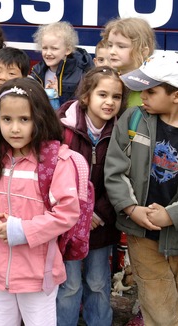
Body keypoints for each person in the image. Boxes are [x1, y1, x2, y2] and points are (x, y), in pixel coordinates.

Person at [104, 51, 178, 326]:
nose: (142, 96)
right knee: (160, 312)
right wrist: (132, 208)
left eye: (151, 90)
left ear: (177, 95)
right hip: (142, 233)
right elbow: (114, 170)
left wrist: (171, 216)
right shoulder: (133, 119)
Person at [0, 78, 80, 326]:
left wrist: (22, 230)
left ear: (39, 119)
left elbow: (67, 212)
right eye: (7, 119)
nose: (15, 128)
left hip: (37, 274)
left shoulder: (54, 161)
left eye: (24, 119)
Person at [56, 66, 126, 326]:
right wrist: (75, 213)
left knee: (98, 282)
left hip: (101, 223)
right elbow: (53, 175)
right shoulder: (63, 127)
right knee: (69, 284)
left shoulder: (121, 132)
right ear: (86, 96)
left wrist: (99, 213)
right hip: (68, 224)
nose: (109, 102)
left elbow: (121, 179)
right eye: (103, 95)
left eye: (116, 97)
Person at [29, 21, 94, 106]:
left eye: (54, 48)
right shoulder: (37, 71)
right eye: (45, 48)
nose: (48, 53)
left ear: (68, 50)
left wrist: (59, 95)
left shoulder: (79, 72)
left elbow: (80, 104)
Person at [100, 17, 155, 106]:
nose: (112, 51)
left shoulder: (151, 87)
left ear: (143, 51)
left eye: (121, 46)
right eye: (110, 45)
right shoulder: (105, 79)